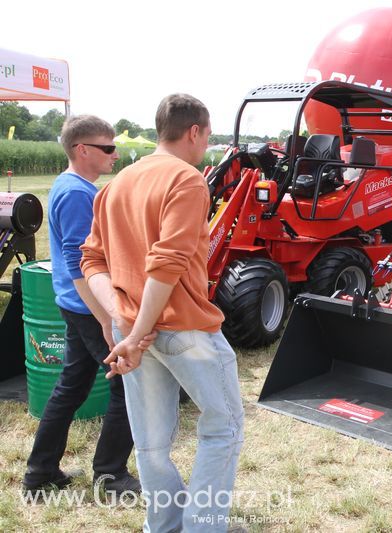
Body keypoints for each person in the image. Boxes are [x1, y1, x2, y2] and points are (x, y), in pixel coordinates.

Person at [80, 94, 244, 532]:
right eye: (207, 137)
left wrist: (125, 320)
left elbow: (92, 262)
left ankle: (168, 525)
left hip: (137, 330)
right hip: (182, 328)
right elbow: (167, 263)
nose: (206, 146)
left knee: (151, 444)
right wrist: (135, 330)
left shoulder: (115, 186)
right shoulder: (188, 181)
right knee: (222, 429)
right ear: (194, 132)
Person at [23, 116, 143, 495]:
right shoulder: (77, 193)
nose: (115, 153)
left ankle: (40, 475)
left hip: (75, 305)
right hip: (86, 306)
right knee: (128, 389)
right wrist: (107, 319)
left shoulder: (70, 184)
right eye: (107, 147)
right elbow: (79, 266)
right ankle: (111, 477)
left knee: (71, 387)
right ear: (82, 149)